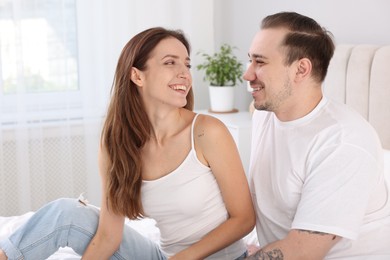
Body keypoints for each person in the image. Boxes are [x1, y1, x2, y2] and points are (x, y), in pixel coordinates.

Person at [0, 27, 255, 260]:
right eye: (170, 63)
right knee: (67, 213)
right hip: (162, 257)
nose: (184, 74)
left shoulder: (207, 132)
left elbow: (244, 219)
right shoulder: (116, 145)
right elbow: (108, 237)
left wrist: (184, 258)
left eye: (187, 65)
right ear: (136, 75)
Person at [243, 11, 390, 259]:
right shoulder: (265, 115)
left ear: (301, 69)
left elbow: (303, 251)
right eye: (250, 60)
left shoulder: (343, 142)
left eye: (260, 62)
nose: (247, 74)